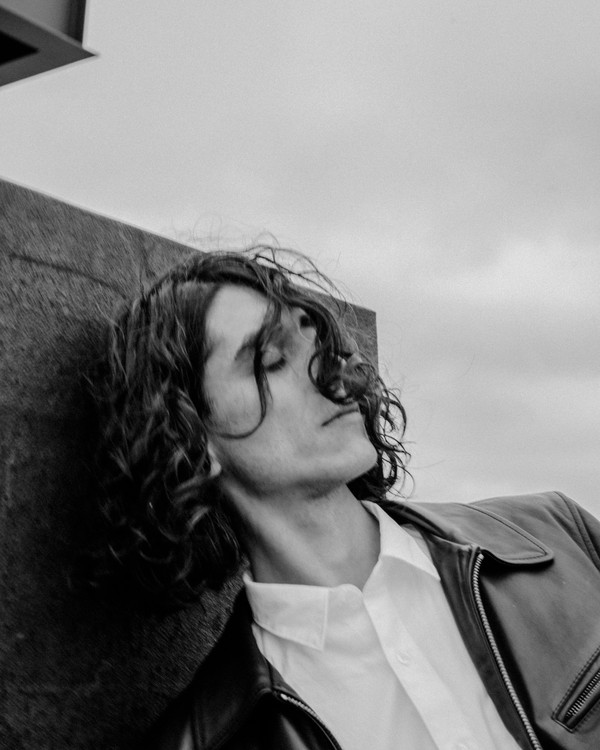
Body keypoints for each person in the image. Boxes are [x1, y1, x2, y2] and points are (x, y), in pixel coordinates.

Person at [93, 246, 600, 750]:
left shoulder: (560, 537)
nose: (330, 374)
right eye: (271, 360)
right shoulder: (204, 740)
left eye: (320, 345)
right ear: (190, 438)